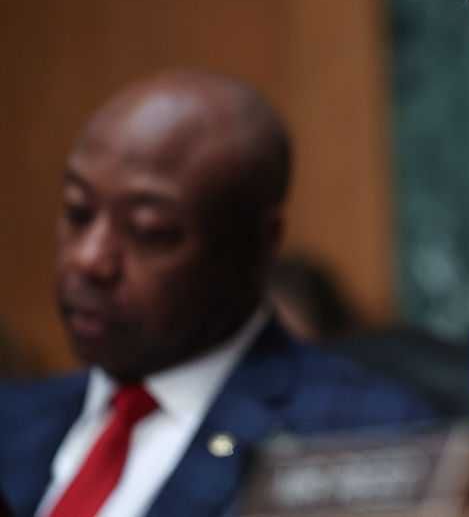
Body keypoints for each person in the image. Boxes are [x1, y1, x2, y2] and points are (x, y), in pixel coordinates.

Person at [0, 71, 432, 517]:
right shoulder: (12, 418)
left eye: (150, 231)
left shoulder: (360, 436)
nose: (89, 259)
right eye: (77, 213)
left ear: (258, 243)